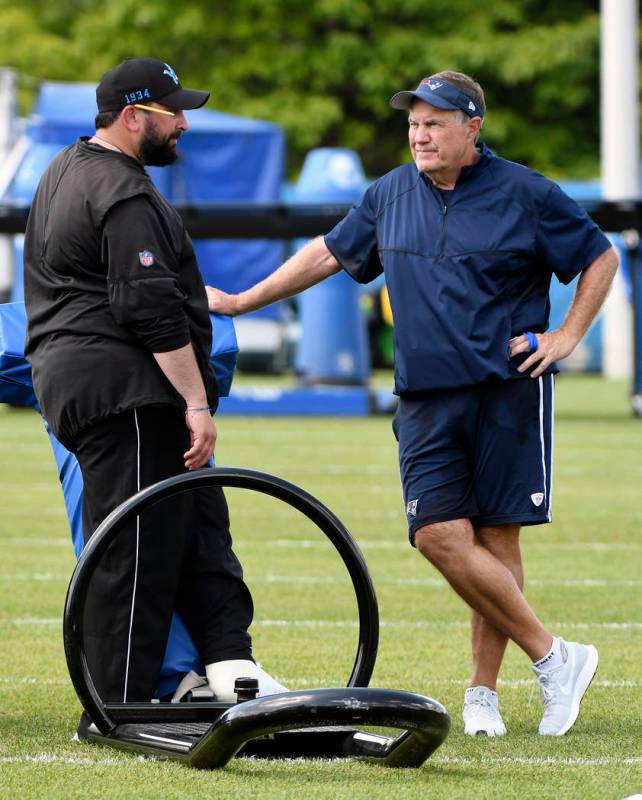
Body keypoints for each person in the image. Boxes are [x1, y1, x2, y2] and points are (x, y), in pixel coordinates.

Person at [207, 71, 619, 737]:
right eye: (414, 124)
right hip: (424, 397)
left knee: (494, 537)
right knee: (436, 535)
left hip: (505, 391)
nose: (420, 136)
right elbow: (328, 255)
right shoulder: (390, 192)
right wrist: (239, 300)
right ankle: (555, 657)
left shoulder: (526, 193)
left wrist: (568, 335)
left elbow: (598, 256)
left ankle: (483, 695)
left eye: (435, 123)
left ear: (472, 128)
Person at [23, 58, 283, 727]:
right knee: (136, 551)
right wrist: (197, 402)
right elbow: (149, 310)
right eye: (174, 113)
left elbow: (131, 286)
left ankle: (233, 671)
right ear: (134, 116)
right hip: (126, 391)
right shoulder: (122, 190)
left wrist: (199, 301)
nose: (184, 124)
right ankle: (121, 704)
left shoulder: (67, 168)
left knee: (199, 525)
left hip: (96, 383)